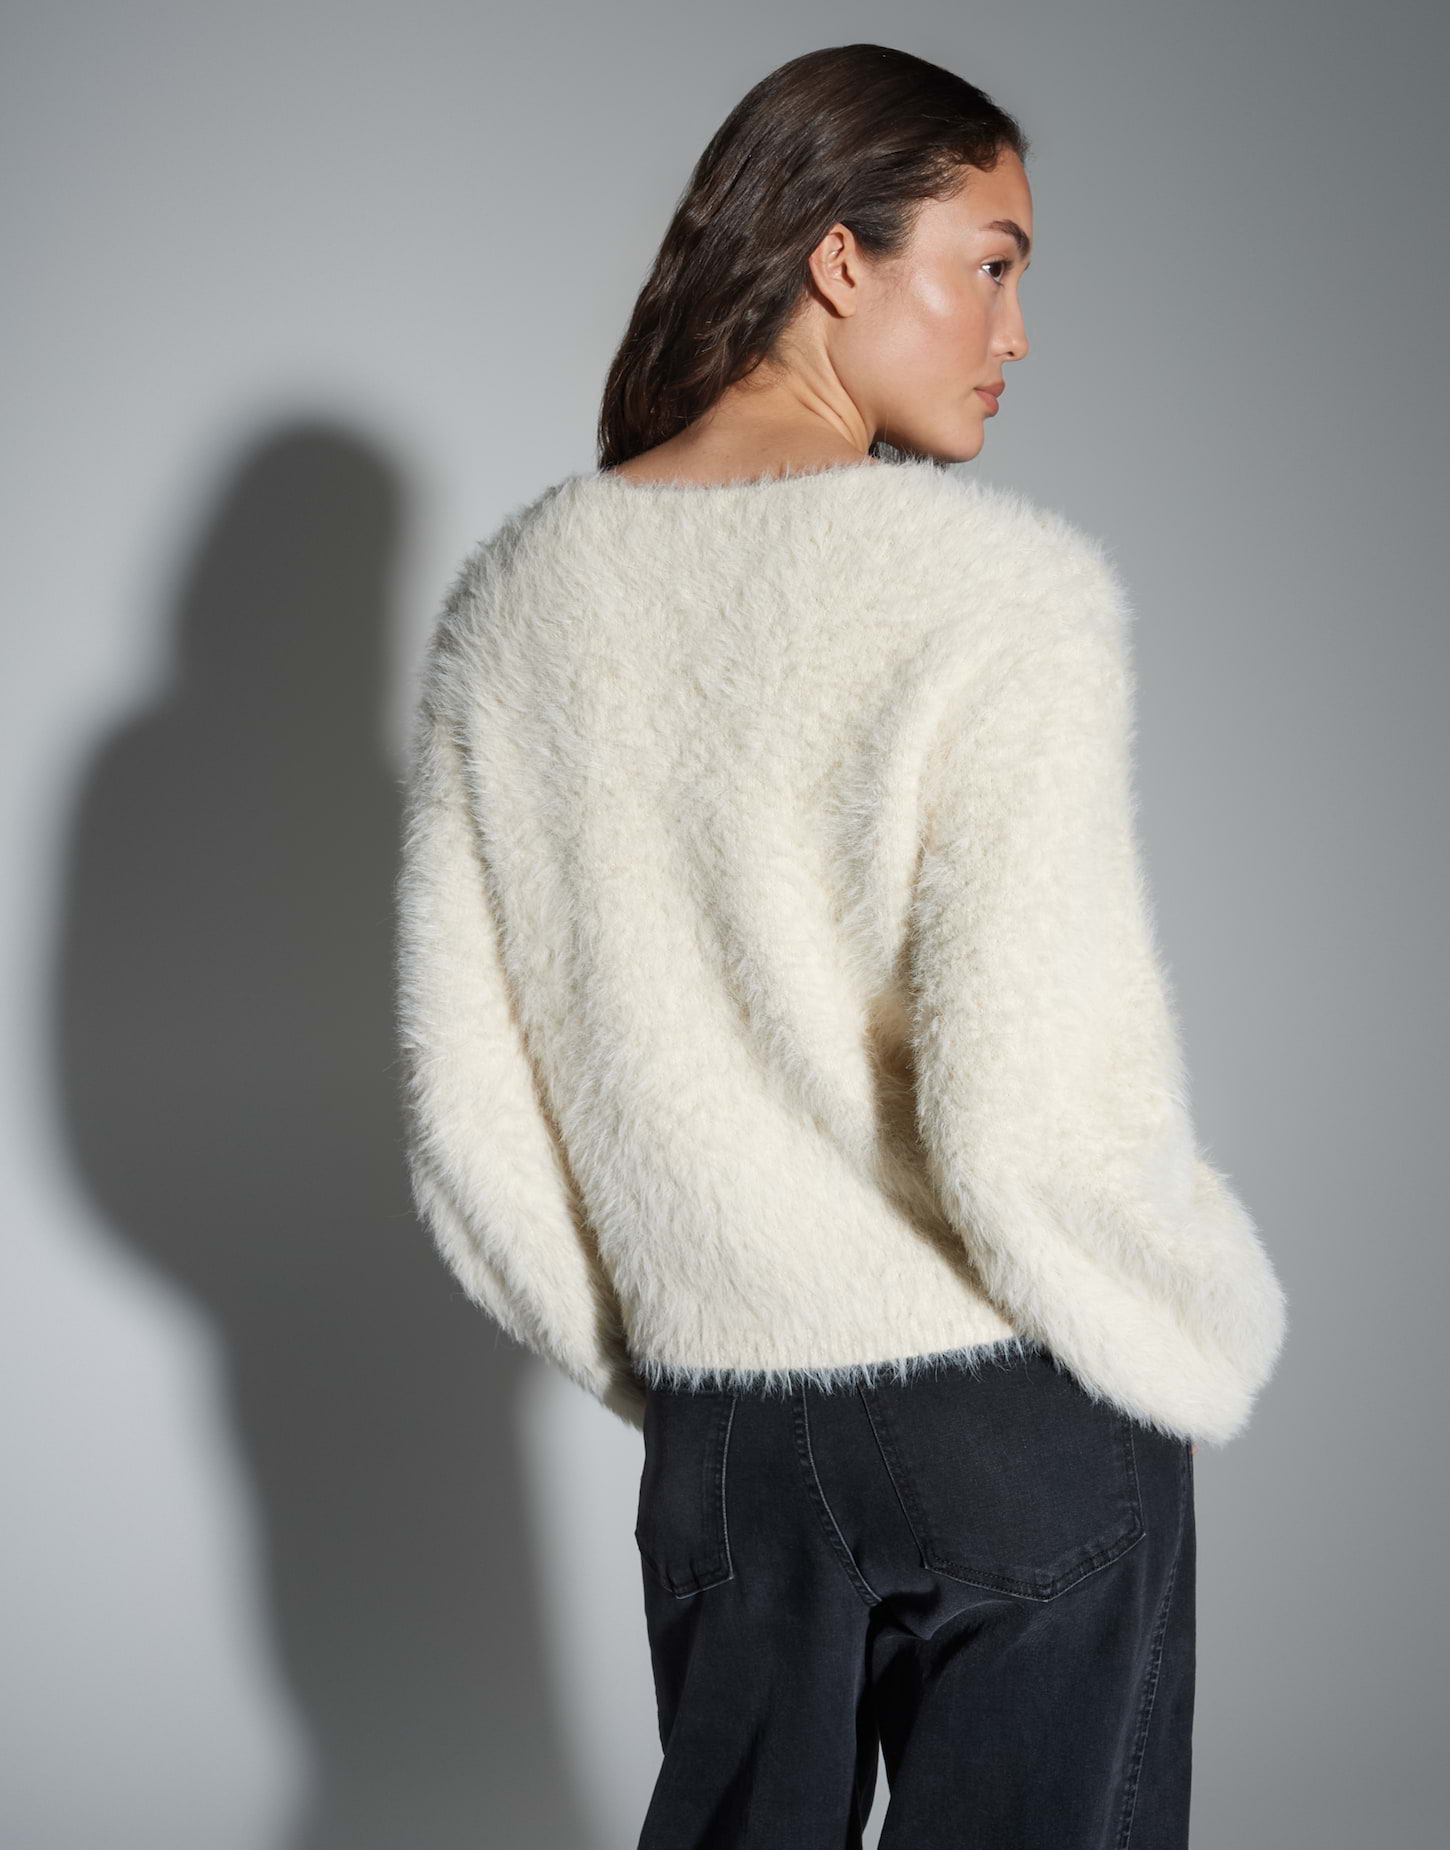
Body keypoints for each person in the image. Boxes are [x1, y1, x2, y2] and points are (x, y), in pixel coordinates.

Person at [393, 41, 1288, 1850]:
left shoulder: (518, 602)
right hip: (1007, 1404)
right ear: (836, 260)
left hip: (729, 1438)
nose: (1015, 331)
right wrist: (1193, 1320)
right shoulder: (997, 594)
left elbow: (469, 1128)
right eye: (990, 262)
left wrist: (691, 1361)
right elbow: (1039, 1098)